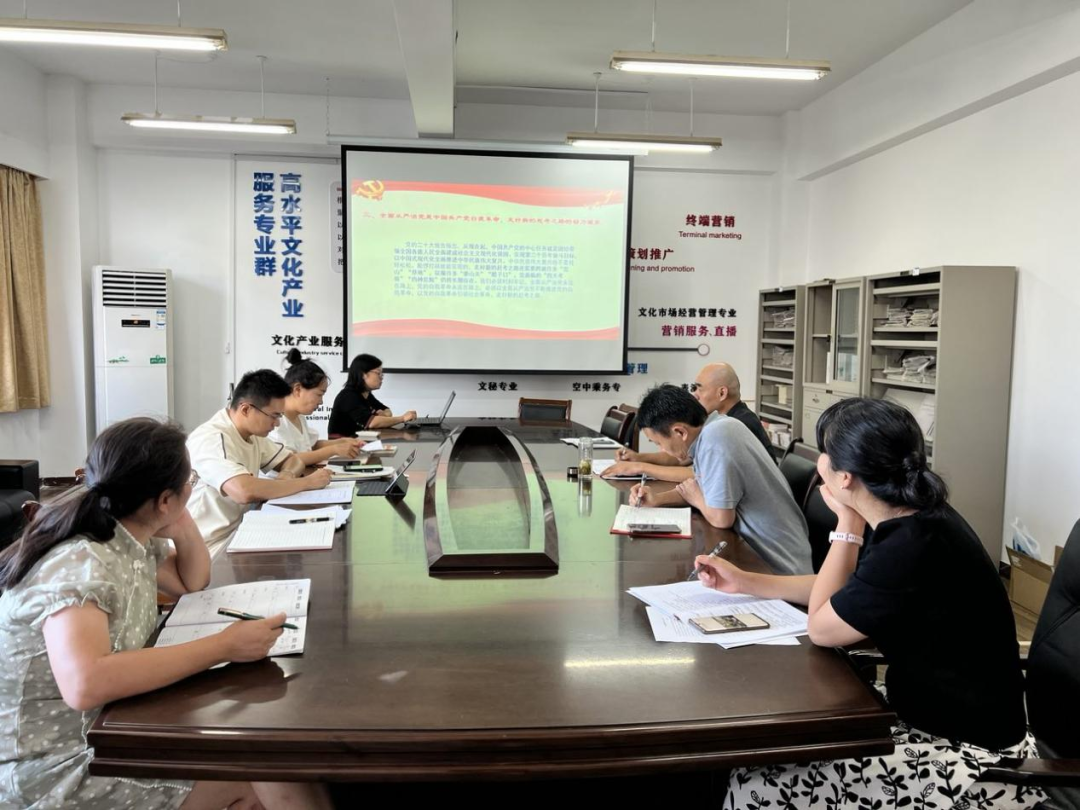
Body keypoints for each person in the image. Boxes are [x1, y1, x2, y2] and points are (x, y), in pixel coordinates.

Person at [695, 398, 1042, 810]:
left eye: (824, 453)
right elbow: (850, 593)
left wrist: (847, 522)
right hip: (929, 714)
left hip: (968, 755)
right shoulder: (911, 517)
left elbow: (822, 627)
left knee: (754, 777)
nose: (820, 462)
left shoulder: (909, 544)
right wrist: (746, 582)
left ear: (844, 477)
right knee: (772, 744)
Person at [0, 418, 332, 809]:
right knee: (265, 767)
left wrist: (182, 519)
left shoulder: (124, 533)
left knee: (268, 757)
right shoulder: (81, 563)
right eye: (189, 480)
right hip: (57, 764)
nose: (193, 486)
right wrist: (224, 646)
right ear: (162, 498)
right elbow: (85, 683)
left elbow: (191, 581)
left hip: (114, 723)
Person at [628, 384, 811, 575]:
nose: (661, 450)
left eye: (659, 443)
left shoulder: (715, 439)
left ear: (680, 432)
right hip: (759, 554)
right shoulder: (717, 427)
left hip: (777, 568)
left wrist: (696, 498)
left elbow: (721, 518)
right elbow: (698, 487)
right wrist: (657, 499)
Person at [186, 369, 332, 556]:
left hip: (241, 530)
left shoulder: (253, 434)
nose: (277, 424)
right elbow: (243, 491)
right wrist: (307, 482)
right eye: (274, 416)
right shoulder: (212, 439)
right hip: (207, 545)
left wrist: (286, 475)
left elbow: (292, 460)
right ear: (246, 409)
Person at [602, 362, 773, 482]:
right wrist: (638, 458)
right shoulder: (715, 421)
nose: (695, 395)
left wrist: (641, 467)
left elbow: (701, 475)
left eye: (699, 388)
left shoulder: (733, 426)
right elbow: (682, 458)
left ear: (722, 393)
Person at [271, 348, 366, 465]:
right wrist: (334, 450)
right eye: (319, 394)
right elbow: (289, 460)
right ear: (298, 389)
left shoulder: (298, 416)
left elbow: (312, 445)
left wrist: (343, 442)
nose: (321, 402)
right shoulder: (275, 421)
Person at [327, 353, 416, 435]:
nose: (381, 377)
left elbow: (387, 410)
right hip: (342, 445)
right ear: (363, 374)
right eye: (378, 373)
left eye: (382, 374)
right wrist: (402, 418)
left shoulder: (366, 394)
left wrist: (384, 415)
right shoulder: (348, 396)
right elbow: (372, 423)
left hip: (358, 442)